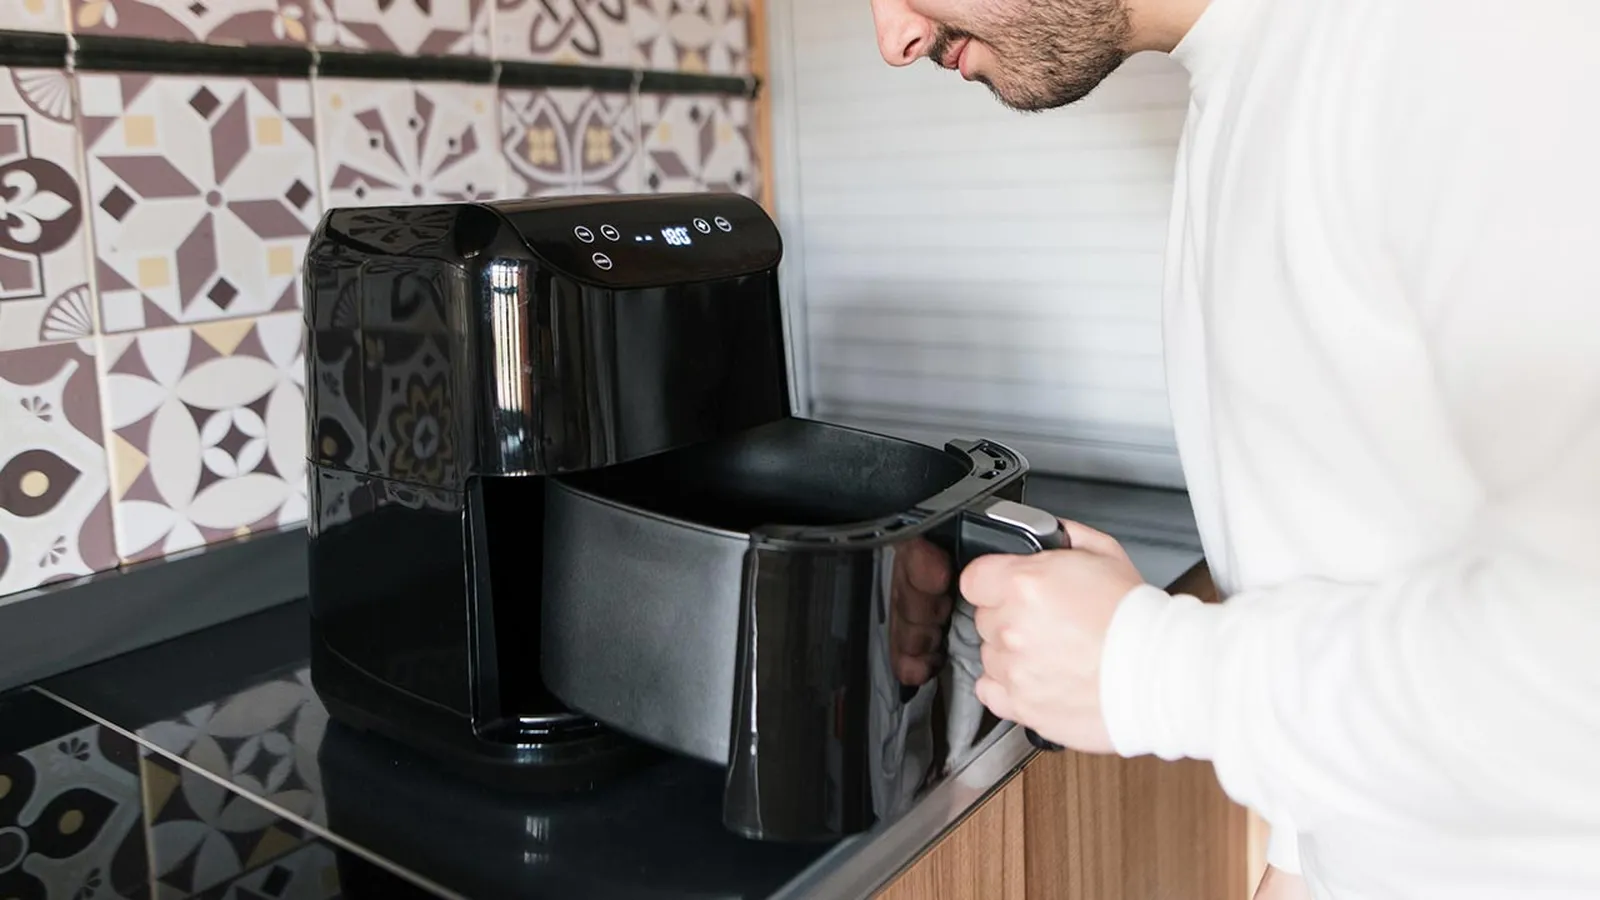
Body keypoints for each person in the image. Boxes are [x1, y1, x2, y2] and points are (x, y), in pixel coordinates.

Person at [866, 0, 1600, 898]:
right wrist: (1297, 866)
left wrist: (1149, 670)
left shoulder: (1465, 36)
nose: (893, 39)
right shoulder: (1245, 84)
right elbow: (1352, 562)